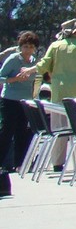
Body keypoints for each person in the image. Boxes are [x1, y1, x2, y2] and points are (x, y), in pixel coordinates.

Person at [23, 19, 76, 171]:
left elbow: (44, 65)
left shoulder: (55, 46)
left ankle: (57, 162)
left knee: (59, 128)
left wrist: (30, 70)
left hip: (60, 93)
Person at [0, 31, 39, 173]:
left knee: (21, 132)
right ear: (20, 46)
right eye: (25, 46)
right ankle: (2, 162)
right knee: (7, 131)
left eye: (30, 47)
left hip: (25, 101)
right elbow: (1, 77)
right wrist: (14, 79)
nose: (27, 50)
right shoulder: (13, 59)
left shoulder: (34, 62)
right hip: (9, 99)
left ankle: (19, 164)